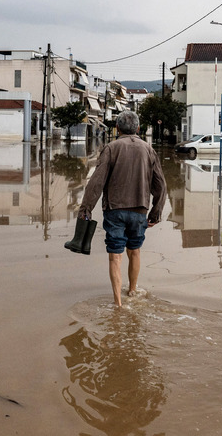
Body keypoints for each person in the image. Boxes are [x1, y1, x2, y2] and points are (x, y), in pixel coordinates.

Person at [78, 111, 168, 308]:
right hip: (140, 211)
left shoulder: (111, 148)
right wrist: (156, 212)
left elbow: (96, 182)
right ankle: (132, 291)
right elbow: (161, 185)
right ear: (137, 129)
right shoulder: (149, 150)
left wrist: (86, 209)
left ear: (117, 129)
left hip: (115, 210)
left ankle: (118, 304)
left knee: (115, 256)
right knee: (134, 252)